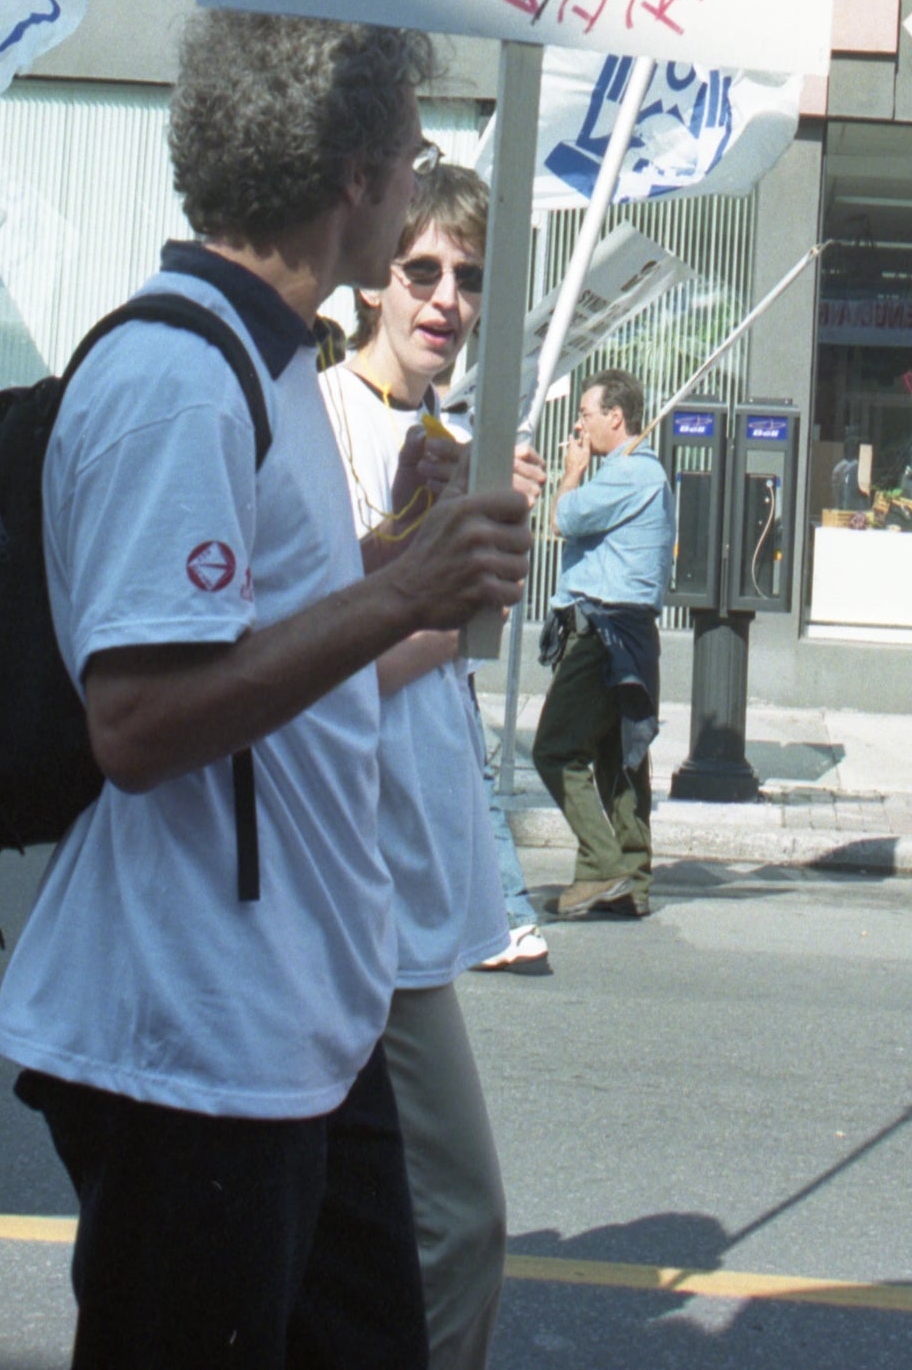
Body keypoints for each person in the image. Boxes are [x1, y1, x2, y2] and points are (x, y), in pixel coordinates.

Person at [0, 11, 532, 1370]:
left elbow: (252, 623)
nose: (417, 182)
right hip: (192, 1045)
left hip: (297, 1021)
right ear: (351, 176)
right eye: (407, 158)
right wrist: (398, 597)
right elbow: (140, 723)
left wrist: (396, 560)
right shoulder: (177, 376)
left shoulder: (272, 358)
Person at [320, 164, 547, 1370]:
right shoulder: (320, 420)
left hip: (405, 876)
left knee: (350, 1222)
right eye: (422, 271)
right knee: (460, 1221)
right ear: (374, 280)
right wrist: (443, 588)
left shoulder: (453, 436)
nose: (446, 299)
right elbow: (312, 664)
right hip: (349, 884)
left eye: (468, 277)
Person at [532, 371, 673, 919]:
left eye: (586, 414)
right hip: (627, 633)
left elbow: (563, 517)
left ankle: (602, 865)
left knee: (556, 749)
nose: (579, 425)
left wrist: (572, 473)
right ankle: (632, 878)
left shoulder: (630, 474)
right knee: (619, 758)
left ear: (616, 417)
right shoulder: (639, 473)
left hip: (606, 631)